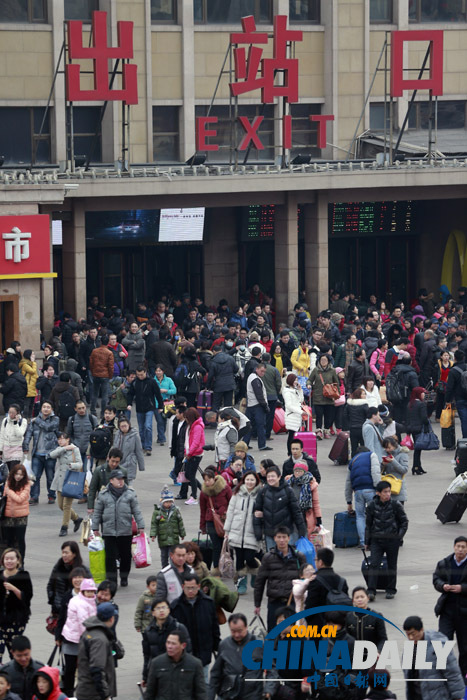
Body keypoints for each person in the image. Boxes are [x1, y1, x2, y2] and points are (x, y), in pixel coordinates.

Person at [92, 469, 145, 587]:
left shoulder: (130, 493)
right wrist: (95, 527)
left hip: (125, 530)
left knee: (125, 555)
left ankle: (124, 577)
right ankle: (112, 580)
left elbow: (137, 511)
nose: (121, 482)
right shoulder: (103, 495)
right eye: (118, 479)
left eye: (122, 479)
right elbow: (97, 513)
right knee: (110, 557)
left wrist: (141, 525)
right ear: (111, 480)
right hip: (109, 530)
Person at [254, 526, 306, 631]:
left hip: (292, 601)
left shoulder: (298, 557)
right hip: (275, 601)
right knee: (273, 633)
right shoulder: (268, 558)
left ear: (289, 538)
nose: (281, 540)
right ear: (274, 538)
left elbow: (306, 579)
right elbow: (260, 581)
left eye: (284, 537)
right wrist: (257, 604)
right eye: (279, 537)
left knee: (292, 634)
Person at [170, 573, 220, 682]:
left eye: (193, 587)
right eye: (188, 588)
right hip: (184, 655)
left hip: (204, 652)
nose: (190, 591)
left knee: (204, 683)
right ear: (183, 587)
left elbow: (214, 627)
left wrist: (217, 646)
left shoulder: (208, 603)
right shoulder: (175, 607)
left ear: (199, 586)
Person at [365, 480, 409, 601]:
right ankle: (371, 590)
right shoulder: (372, 506)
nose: (388, 494)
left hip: (391, 541)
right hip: (376, 541)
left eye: (389, 491)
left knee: (391, 565)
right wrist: (367, 542)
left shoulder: (395, 505)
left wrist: (398, 537)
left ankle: (390, 589)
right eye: (385, 492)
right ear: (378, 493)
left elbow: (404, 522)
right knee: (374, 565)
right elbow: (368, 524)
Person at [403, 615, 465, 700]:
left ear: (421, 629)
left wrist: (458, 697)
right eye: (408, 634)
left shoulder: (438, 645)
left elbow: (452, 673)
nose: (411, 638)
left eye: (413, 634)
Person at [432, 536, 467, 681]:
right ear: (454, 547)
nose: (460, 549)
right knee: (443, 643)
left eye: (463, 547)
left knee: (465, 647)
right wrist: (442, 586)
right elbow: (436, 579)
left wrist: (462, 588)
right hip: (446, 610)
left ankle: (463, 675)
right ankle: (443, 673)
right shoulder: (445, 563)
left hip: (464, 613)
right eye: (458, 546)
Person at [209, 613, 264, 700]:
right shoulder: (224, 645)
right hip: (230, 693)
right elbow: (216, 673)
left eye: (240, 631)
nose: (237, 635)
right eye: (233, 631)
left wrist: (269, 690)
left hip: (252, 695)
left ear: (246, 627)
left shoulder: (259, 645)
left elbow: (272, 669)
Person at [224, 471, 261, 594]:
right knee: (239, 559)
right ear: (244, 480)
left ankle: (255, 572)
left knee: (250, 558)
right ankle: (241, 584)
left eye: (252, 480)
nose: (249, 482)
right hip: (236, 531)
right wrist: (227, 530)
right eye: (247, 480)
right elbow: (230, 512)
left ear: (256, 481)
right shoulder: (237, 493)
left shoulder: (260, 495)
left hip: (252, 532)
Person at [254, 465, 306, 551]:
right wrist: (258, 532)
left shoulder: (288, 491)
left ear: (279, 477)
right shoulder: (263, 492)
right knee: (272, 560)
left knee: (288, 559)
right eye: (268, 476)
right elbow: (257, 513)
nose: (270, 479)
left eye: (273, 476)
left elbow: (296, 512)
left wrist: (301, 530)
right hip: (270, 533)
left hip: (286, 533)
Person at [144, 628, 206, 700]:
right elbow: (150, 692)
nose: (169, 646)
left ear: (183, 645)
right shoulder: (156, 663)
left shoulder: (195, 664)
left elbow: (201, 693)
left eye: (173, 643)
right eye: (168, 642)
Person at [60, 578, 97, 696]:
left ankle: (74, 691)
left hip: (82, 638)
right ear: (83, 591)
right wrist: (90, 639)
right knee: (71, 667)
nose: (90, 593)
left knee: (76, 668)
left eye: (92, 591)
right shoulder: (80, 602)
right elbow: (83, 622)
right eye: (88, 591)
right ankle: (70, 692)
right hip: (74, 638)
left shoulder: (92, 601)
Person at [141, 599, 192, 685]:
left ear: (168, 610)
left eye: (164, 607)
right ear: (153, 613)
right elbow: (147, 656)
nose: (161, 610)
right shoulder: (148, 631)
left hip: (176, 671)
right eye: (158, 608)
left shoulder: (179, 627)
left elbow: (188, 651)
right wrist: (145, 676)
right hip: (157, 672)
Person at [75, 603, 119, 700]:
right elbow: (97, 670)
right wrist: (105, 695)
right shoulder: (99, 640)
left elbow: (119, 653)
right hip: (94, 694)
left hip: (86, 690)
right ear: (112, 618)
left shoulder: (91, 631)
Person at [22, 400, 60, 505]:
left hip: (50, 453)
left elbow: (49, 427)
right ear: (41, 408)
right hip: (37, 454)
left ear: (51, 409)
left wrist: (37, 421)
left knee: (50, 476)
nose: (46, 409)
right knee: (35, 476)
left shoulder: (55, 419)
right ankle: (34, 497)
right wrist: (25, 445)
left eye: (48, 407)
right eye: (44, 407)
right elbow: (28, 434)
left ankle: (51, 496)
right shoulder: (33, 422)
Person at [345, 446, 381, 549]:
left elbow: (348, 482)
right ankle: (374, 541)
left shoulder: (352, 461)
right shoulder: (371, 455)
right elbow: (375, 472)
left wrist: (348, 501)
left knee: (360, 516)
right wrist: (378, 488)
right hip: (370, 489)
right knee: (374, 515)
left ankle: (363, 542)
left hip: (357, 492)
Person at [304, 547, 349, 628]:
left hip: (319, 626)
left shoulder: (315, 580)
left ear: (320, 562)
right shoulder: (342, 581)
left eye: (316, 560)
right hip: (339, 625)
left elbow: (310, 607)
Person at [0, 549, 33, 662]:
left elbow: (27, 597)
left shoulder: (24, 575)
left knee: (14, 651)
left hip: (16, 619)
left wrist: (13, 589)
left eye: (12, 558)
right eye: (6, 559)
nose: (9, 561)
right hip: (0, 619)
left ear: (18, 560)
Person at [48, 432, 83, 537]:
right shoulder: (60, 449)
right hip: (60, 480)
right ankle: (76, 518)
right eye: (59, 439)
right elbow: (51, 455)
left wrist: (71, 465)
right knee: (60, 505)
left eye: (62, 439)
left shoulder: (75, 449)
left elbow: (80, 463)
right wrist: (64, 448)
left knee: (66, 505)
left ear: (68, 439)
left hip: (70, 479)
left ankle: (64, 527)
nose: (60, 441)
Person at [126, 365, 164, 457]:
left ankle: (148, 447)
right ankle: (142, 445)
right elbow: (130, 394)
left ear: (145, 372)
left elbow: (158, 394)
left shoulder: (151, 382)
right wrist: (129, 404)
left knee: (148, 426)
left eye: (141, 374)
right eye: (138, 375)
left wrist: (160, 406)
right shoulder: (135, 382)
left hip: (149, 407)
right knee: (141, 429)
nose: (140, 376)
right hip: (139, 408)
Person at [199, 468, 231, 575]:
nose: (207, 482)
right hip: (211, 521)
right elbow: (202, 510)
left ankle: (226, 566)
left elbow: (232, 504)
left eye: (209, 480)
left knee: (225, 545)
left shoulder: (225, 488)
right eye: (205, 480)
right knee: (216, 545)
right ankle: (216, 568)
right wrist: (202, 526)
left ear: (214, 478)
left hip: (225, 520)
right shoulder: (204, 492)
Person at [47, 541, 89, 617]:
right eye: (63, 552)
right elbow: (50, 585)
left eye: (67, 553)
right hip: (59, 610)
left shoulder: (83, 570)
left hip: (77, 611)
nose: (64, 555)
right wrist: (53, 601)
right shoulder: (58, 567)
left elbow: (90, 589)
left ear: (74, 554)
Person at [150, 487, 186, 568]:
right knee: (164, 555)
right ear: (162, 502)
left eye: (170, 502)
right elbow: (154, 524)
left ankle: (173, 568)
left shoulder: (175, 511)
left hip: (174, 537)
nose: (168, 504)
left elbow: (180, 522)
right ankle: (165, 568)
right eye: (166, 502)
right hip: (163, 537)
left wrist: (182, 533)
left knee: (173, 555)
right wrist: (153, 534)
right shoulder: (157, 512)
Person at [2, 464, 31, 561]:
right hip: (8, 516)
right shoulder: (8, 482)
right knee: (9, 541)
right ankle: (9, 561)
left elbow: (20, 499)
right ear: (13, 474)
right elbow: (5, 498)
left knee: (20, 540)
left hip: (21, 516)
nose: (18, 476)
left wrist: (9, 491)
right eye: (17, 474)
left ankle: (21, 562)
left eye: (21, 474)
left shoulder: (27, 484)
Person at [345, 586, 387, 651]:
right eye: (357, 597)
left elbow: (383, 639)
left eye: (362, 597)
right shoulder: (348, 616)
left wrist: (379, 651)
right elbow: (345, 637)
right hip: (353, 655)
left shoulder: (377, 616)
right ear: (353, 600)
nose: (360, 599)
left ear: (368, 598)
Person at [287, 462, 322, 538]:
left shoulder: (310, 484)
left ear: (305, 472)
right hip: (291, 515)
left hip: (305, 515)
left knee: (304, 537)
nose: (297, 473)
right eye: (296, 471)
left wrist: (318, 517)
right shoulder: (289, 482)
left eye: (300, 471)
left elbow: (315, 502)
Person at [86, 447, 127, 511]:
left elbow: (126, 490)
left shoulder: (123, 471)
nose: (114, 464)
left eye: (117, 462)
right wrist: (90, 507)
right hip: (103, 504)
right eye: (112, 461)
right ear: (108, 458)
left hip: (119, 505)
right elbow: (92, 489)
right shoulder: (99, 470)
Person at [179, 407, 205, 505]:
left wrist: (189, 453)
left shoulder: (197, 427)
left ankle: (194, 496)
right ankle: (202, 490)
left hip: (196, 454)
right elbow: (188, 441)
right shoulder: (191, 426)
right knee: (188, 475)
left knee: (191, 475)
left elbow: (196, 442)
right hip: (191, 454)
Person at [309, 354, 339, 440]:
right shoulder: (316, 370)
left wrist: (337, 394)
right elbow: (310, 380)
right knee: (319, 415)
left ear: (328, 361)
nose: (323, 362)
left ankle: (326, 430)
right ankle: (319, 431)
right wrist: (308, 385)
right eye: (322, 360)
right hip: (318, 397)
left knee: (328, 416)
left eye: (325, 360)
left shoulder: (332, 371)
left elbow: (336, 383)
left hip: (329, 397)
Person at [244, 363, 271, 452]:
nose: (263, 373)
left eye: (264, 372)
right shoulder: (255, 379)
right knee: (261, 426)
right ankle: (262, 445)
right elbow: (259, 395)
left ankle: (245, 444)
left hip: (251, 405)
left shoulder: (251, 377)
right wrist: (265, 406)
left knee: (249, 426)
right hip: (257, 406)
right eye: (262, 371)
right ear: (257, 369)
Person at [112, 416, 144, 486]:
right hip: (118, 462)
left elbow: (139, 450)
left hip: (130, 462)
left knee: (129, 485)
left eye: (125, 426)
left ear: (129, 425)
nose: (124, 428)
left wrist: (141, 466)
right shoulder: (117, 434)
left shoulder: (135, 435)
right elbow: (114, 447)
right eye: (121, 426)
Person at [66, 400, 98, 467]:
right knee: (77, 472)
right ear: (75, 409)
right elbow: (68, 434)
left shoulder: (92, 418)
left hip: (89, 450)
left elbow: (97, 434)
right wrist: (73, 444)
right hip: (76, 450)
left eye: (83, 407)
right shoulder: (72, 419)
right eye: (79, 408)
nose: (82, 410)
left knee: (87, 472)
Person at [406, 387, 431, 475]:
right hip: (419, 428)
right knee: (418, 449)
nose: (424, 394)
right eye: (422, 393)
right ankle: (416, 467)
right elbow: (424, 418)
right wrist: (427, 424)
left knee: (417, 448)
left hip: (411, 428)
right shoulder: (421, 404)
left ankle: (418, 466)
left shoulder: (410, 404)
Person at [88, 335, 114, 419]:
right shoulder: (109, 353)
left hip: (96, 374)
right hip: (105, 375)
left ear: (100, 342)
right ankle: (103, 412)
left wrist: (93, 372)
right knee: (104, 395)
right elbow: (110, 366)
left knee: (95, 393)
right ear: (108, 342)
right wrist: (110, 375)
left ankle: (93, 410)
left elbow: (91, 363)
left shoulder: (94, 351)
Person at [445, 350, 467, 437]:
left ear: (455, 359)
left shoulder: (453, 371)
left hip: (460, 398)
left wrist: (447, 400)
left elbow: (449, 388)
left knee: (464, 420)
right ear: (464, 358)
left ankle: (465, 440)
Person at [381, 436, 409, 505]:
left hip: (398, 487)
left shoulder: (402, 454)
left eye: (389, 447)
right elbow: (379, 470)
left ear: (394, 445)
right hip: (387, 486)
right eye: (386, 448)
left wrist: (393, 461)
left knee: (398, 514)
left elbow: (404, 470)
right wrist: (383, 464)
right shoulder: (385, 454)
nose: (387, 450)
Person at [282, 373, 305, 455]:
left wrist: (300, 390)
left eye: (297, 380)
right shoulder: (287, 392)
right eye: (295, 380)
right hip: (291, 416)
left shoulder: (295, 390)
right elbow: (289, 405)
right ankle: (290, 453)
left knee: (294, 436)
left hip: (296, 416)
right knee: (291, 436)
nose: (296, 382)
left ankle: (293, 452)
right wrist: (301, 412)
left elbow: (301, 400)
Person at [0, 405, 28, 471]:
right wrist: (0, 451)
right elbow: (2, 436)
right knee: (10, 471)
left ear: (18, 413)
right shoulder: (5, 420)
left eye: (13, 413)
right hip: (7, 448)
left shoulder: (23, 421)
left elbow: (20, 434)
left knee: (14, 469)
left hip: (17, 448)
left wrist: (16, 423)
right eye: (9, 412)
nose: (10, 414)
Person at [154, 366, 176, 445]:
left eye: (160, 371)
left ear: (163, 371)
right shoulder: (153, 380)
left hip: (167, 403)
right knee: (159, 420)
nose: (158, 372)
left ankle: (160, 436)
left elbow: (174, 390)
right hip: (156, 403)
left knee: (164, 420)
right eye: (157, 371)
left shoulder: (168, 380)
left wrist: (166, 391)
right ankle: (162, 438)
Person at [345, 388, 369, 456]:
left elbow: (345, 415)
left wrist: (347, 425)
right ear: (359, 395)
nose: (365, 395)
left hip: (352, 428)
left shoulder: (349, 404)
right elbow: (368, 415)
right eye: (363, 394)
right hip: (362, 428)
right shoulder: (364, 404)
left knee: (354, 447)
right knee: (363, 446)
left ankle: (353, 461)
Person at [18, 351, 38, 420]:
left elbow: (35, 375)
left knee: (31, 406)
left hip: (32, 387)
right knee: (26, 406)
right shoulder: (25, 364)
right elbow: (32, 371)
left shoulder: (31, 364)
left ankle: (29, 420)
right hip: (27, 388)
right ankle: (25, 420)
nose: (34, 355)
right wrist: (34, 362)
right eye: (32, 354)